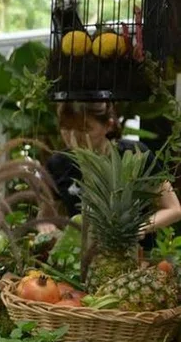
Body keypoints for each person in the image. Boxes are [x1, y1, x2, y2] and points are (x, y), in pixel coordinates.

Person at [42, 101, 181, 244]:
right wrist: (46, 227)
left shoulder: (135, 155)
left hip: (133, 254)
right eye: (66, 128)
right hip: (81, 256)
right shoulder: (58, 163)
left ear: (108, 126)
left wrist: (141, 228)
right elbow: (44, 216)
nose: (73, 137)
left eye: (84, 129)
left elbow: (174, 209)